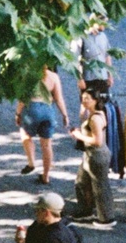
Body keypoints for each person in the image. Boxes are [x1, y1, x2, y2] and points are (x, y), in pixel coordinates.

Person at [17, 66, 70, 185]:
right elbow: (58, 98)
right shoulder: (54, 76)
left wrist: (18, 113)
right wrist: (65, 115)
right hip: (48, 110)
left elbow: (22, 98)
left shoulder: (28, 75)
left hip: (31, 108)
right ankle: (46, 176)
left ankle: (31, 163)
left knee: (25, 134)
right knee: (47, 145)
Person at [70, 89, 115, 228]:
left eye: (87, 98)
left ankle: (106, 218)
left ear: (95, 100)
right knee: (81, 182)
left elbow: (97, 141)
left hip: (97, 155)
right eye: (83, 98)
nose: (84, 100)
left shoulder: (95, 118)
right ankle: (86, 209)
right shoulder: (93, 114)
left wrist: (78, 136)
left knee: (100, 187)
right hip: (89, 155)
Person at [76, 15, 114, 96]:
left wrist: (110, 75)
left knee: (104, 103)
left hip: (103, 77)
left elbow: (107, 56)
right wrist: (80, 79)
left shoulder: (103, 37)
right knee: (87, 104)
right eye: (103, 22)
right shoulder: (82, 37)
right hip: (88, 78)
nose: (105, 25)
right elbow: (76, 59)